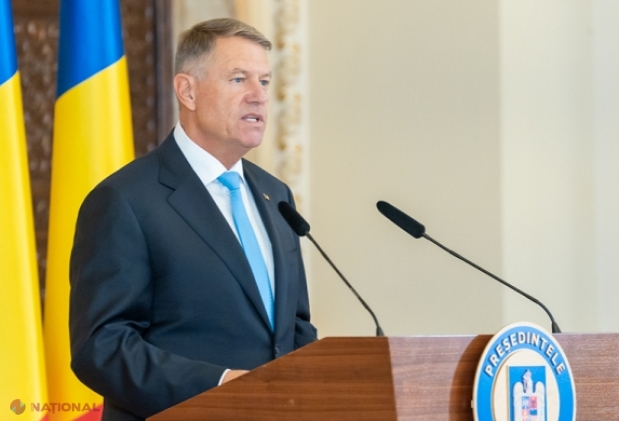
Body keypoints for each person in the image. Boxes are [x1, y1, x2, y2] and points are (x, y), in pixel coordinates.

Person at [69, 18, 317, 421]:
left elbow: (295, 328)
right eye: (238, 79)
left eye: (264, 82)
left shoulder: (276, 196)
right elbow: (101, 345)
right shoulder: (126, 199)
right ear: (187, 91)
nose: (258, 96)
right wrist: (219, 385)